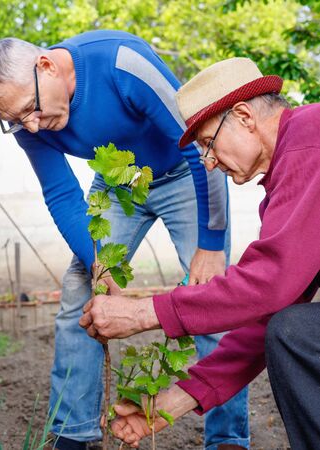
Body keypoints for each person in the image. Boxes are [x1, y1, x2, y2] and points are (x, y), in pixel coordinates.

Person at [0, 32, 250, 450]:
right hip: (120, 185)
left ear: (46, 66)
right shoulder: (26, 117)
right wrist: (96, 263)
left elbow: (199, 145)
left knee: (214, 298)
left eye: (31, 109)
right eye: (15, 120)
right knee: (79, 292)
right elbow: (61, 192)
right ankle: (73, 432)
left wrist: (210, 244)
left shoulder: (122, 63)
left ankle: (228, 438)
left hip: (185, 175)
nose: (30, 125)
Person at [80, 56, 320, 450]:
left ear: (244, 116)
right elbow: (267, 313)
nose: (208, 162)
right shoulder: (291, 171)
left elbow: (270, 284)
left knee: (296, 333)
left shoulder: (309, 140)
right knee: (292, 330)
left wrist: (144, 312)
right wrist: (168, 405)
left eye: (209, 143)